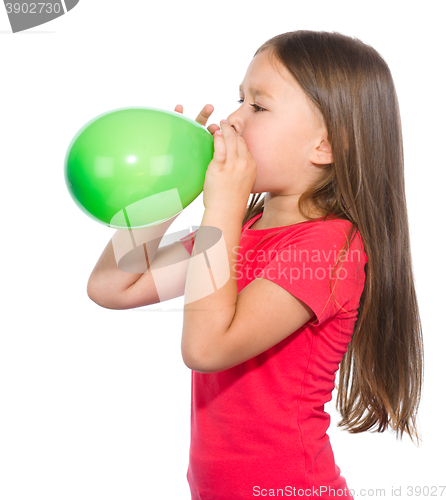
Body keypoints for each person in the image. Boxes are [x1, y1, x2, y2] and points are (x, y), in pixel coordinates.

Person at [87, 30, 424, 500]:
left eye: (257, 107)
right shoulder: (240, 232)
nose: (231, 120)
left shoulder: (330, 248)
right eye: (238, 100)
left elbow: (207, 349)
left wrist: (221, 209)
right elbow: (112, 286)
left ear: (325, 145)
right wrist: (170, 186)